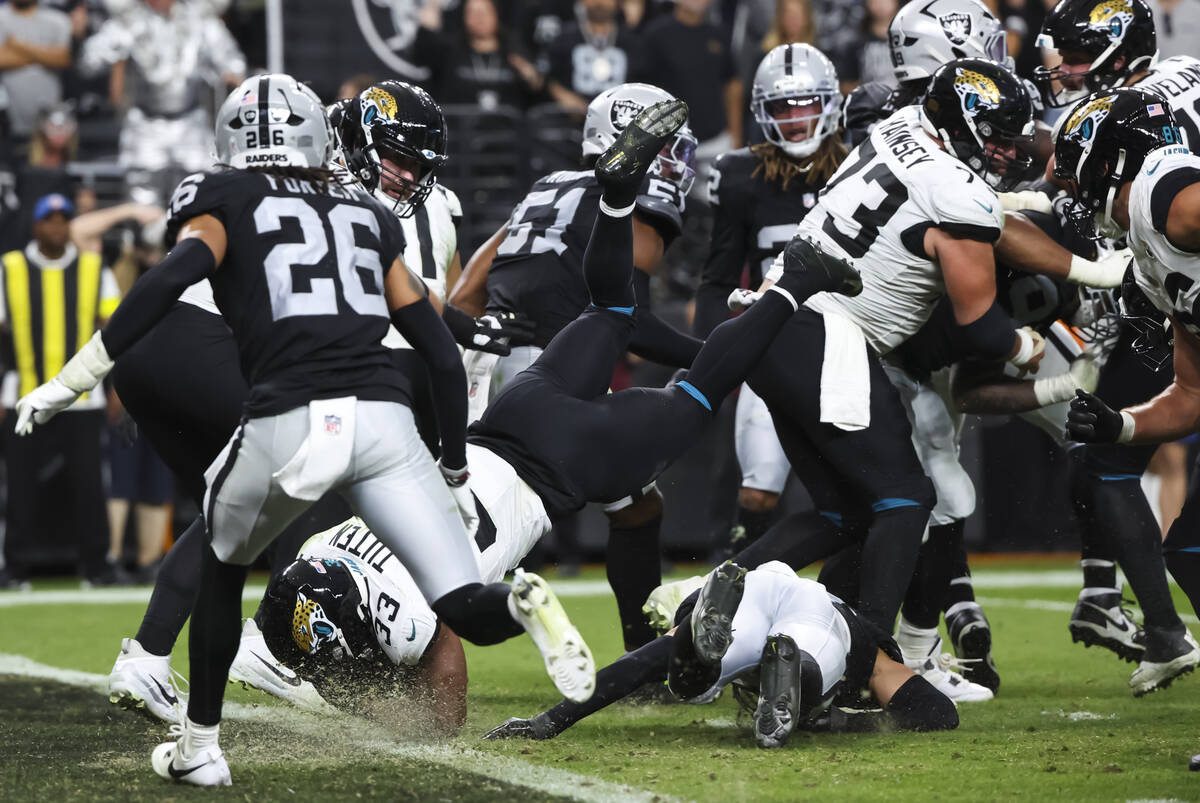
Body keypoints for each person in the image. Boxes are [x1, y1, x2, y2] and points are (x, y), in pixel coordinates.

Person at [15, 73, 597, 786]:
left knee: (228, 531)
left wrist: (75, 377)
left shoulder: (240, 193)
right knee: (421, 575)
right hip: (336, 396)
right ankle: (503, 603)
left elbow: (165, 280)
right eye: (396, 158)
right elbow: (438, 345)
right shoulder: (364, 217)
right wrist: (452, 463)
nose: (406, 176)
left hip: (252, 378)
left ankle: (183, 708)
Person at [102, 81, 539, 726]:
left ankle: (146, 657)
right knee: (324, 459)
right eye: (396, 157)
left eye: (417, 165)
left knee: (235, 511)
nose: (407, 174)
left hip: (169, 345)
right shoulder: (337, 191)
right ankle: (266, 648)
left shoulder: (311, 172)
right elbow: (394, 317)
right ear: (359, 139)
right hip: (207, 338)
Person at [450, 81, 700, 651]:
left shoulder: (546, 187)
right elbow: (631, 324)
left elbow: (465, 295)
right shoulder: (625, 202)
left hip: (484, 370)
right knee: (497, 535)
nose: (674, 160)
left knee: (633, 505)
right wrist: (716, 355)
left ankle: (642, 655)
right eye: (662, 144)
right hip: (549, 380)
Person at [485, 561, 959, 746]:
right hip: (813, 607)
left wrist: (549, 721)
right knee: (811, 667)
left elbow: (639, 666)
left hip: (743, 592)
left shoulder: (755, 590)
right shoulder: (853, 632)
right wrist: (846, 722)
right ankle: (795, 681)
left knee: (686, 677)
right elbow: (939, 713)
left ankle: (701, 642)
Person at [1058, 89, 1200, 702]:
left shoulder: (1163, 194)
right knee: (1189, 550)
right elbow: (1191, 392)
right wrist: (1121, 427)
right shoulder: (1146, 260)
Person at [693, 43, 844, 560]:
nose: (796, 118)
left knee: (867, 488)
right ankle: (732, 593)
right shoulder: (740, 175)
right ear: (763, 112)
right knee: (757, 491)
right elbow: (717, 280)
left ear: (829, 103)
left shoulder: (857, 167)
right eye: (783, 106)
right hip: (772, 346)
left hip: (851, 347)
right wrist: (712, 360)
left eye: (805, 103)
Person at [0, 192, 119, 590]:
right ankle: (14, 569)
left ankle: (96, 568)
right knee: (19, 486)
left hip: (83, 398)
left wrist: (119, 389)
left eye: (63, 219)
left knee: (89, 486)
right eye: (48, 219)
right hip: (24, 395)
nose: (56, 226)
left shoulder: (92, 267)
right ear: (35, 226)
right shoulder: (9, 268)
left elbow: (114, 329)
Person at [78, 0, 245, 205]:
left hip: (191, 123)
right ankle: (148, 236)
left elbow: (232, 63)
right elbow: (88, 62)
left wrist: (233, 77)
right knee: (142, 202)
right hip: (145, 125)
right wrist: (109, 44)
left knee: (200, 196)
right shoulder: (131, 22)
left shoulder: (199, 20)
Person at [543, 0, 643, 112]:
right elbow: (549, 78)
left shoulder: (632, 42)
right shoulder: (564, 37)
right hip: (570, 118)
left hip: (620, 116)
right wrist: (566, 98)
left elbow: (640, 82)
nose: (599, 2)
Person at [0, 0, 70, 147]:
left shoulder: (57, 19)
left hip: (51, 125)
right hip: (7, 123)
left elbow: (62, 58)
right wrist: (44, 55)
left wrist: (18, 45)